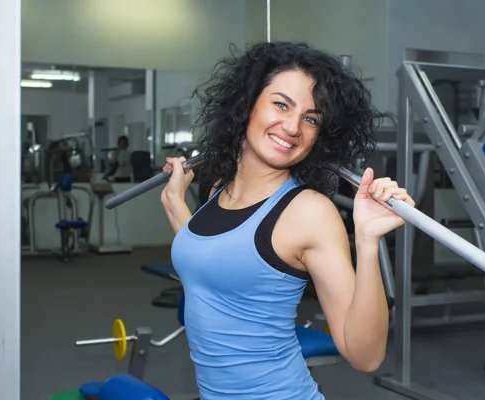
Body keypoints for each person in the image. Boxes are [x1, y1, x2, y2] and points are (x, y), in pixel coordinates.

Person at [161, 42, 415, 400]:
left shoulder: (309, 212)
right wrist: (174, 200)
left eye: (311, 118)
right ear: (247, 105)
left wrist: (368, 242)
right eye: (281, 104)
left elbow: (366, 356)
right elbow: (211, 262)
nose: (293, 126)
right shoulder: (221, 189)